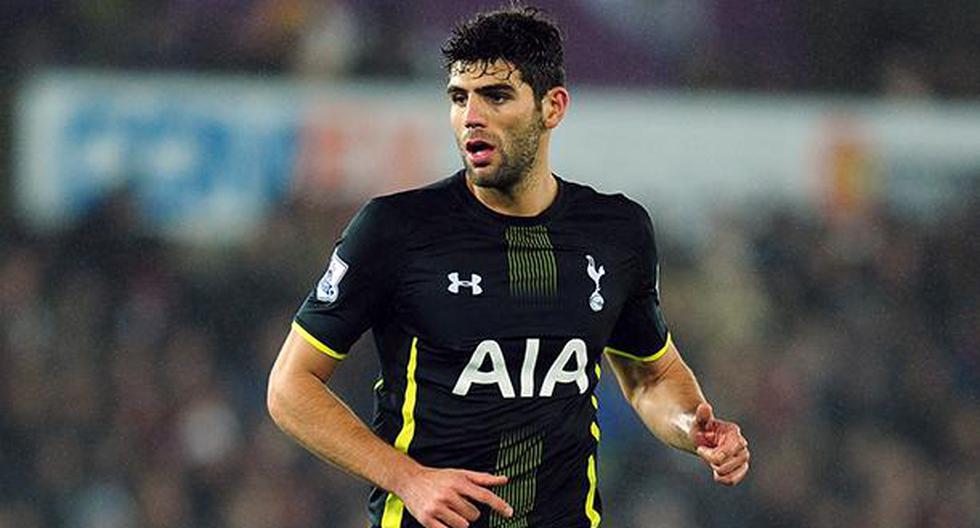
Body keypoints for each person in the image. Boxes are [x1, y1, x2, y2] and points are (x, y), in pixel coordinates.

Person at [267, 6, 750, 528]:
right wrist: (407, 478)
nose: (471, 116)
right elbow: (290, 388)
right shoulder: (396, 229)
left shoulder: (616, 232)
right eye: (458, 98)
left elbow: (651, 375)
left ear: (553, 107)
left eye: (496, 96)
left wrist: (693, 428)